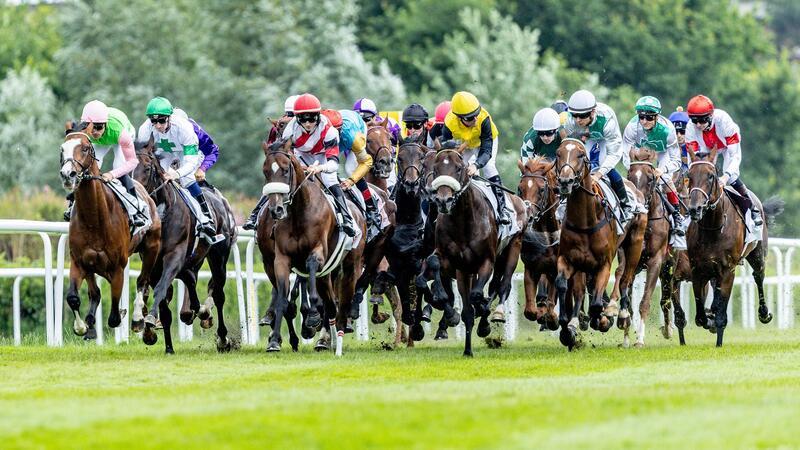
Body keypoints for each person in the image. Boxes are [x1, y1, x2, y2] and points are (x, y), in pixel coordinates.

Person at [137, 96, 223, 244]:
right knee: (153, 176)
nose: (157, 125)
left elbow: (190, 162)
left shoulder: (185, 128)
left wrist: (175, 173)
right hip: (165, 152)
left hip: (185, 152)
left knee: (186, 178)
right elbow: (144, 155)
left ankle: (205, 218)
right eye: (154, 121)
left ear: (170, 118)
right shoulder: (145, 129)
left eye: (162, 120)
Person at [64, 100, 147, 227]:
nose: (95, 132)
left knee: (118, 167)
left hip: (119, 136)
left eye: (99, 127)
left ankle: (136, 209)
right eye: (92, 127)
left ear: (106, 124)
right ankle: (73, 202)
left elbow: (132, 161)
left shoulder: (120, 133)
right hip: (104, 140)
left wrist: (112, 174)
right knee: (88, 167)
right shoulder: (84, 131)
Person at [284, 93, 355, 237]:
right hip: (300, 155)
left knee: (330, 180)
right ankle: (256, 215)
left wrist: (319, 168)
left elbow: (334, 164)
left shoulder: (329, 130)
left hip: (322, 157)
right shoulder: (289, 131)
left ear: (318, 115)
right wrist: (299, 167)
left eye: (311, 118)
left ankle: (347, 218)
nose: (308, 123)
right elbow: (286, 156)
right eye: (303, 119)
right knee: (282, 178)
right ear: (297, 118)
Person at [685, 94, 762, 226]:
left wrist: (724, 178)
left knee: (731, 178)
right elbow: (693, 159)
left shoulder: (723, 120)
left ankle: (752, 207)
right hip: (706, 147)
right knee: (699, 173)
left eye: (702, 120)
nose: (698, 125)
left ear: (710, 116)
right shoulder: (690, 128)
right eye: (694, 120)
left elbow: (735, 156)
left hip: (727, 146)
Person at [440, 91, 510, 225]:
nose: (475, 119)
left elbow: (486, 151)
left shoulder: (484, 119)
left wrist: (476, 165)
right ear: (459, 118)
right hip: (464, 143)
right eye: (471, 118)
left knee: (489, 168)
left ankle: (503, 210)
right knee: (456, 169)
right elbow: (445, 148)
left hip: (483, 143)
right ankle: (449, 205)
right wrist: (454, 150)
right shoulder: (449, 123)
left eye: (476, 115)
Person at [562, 89, 632, 221]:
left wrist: (599, 175)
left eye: (582, 116)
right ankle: (563, 201)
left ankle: (625, 204)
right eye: (574, 115)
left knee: (604, 164)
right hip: (585, 140)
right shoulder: (570, 121)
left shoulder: (606, 118)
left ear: (593, 112)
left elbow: (614, 154)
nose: (578, 120)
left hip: (605, 140)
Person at [622, 96, 685, 234]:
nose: (644, 121)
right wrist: (634, 168)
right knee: (634, 179)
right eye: (641, 117)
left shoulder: (667, 129)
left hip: (662, 153)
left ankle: (676, 216)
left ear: (657, 117)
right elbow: (625, 155)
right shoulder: (632, 127)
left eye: (649, 118)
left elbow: (676, 160)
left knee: (665, 180)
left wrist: (662, 170)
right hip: (640, 153)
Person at [321, 108, 382, 238]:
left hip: (357, 128)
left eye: (335, 132)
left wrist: (351, 180)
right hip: (341, 122)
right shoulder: (319, 130)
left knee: (350, 168)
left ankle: (371, 207)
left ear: (340, 130)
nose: (332, 135)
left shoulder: (352, 136)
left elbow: (366, 162)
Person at [171, 108, 219, 185]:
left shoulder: (197, 133)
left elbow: (213, 151)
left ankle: (199, 196)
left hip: (194, 156)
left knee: (186, 178)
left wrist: (202, 169)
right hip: (174, 157)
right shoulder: (160, 129)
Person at [668, 107, 690, 172]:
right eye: (675, 132)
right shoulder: (666, 146)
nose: (679, 135)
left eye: (682, 132)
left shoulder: (695, 145)